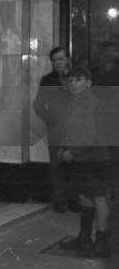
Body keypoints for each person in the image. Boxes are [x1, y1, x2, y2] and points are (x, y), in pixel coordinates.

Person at [58, 67, 111, 258]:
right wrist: (64, 147)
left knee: (98, 197)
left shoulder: (90, 102)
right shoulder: (76, 102)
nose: (72, 83)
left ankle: (102, 242)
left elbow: (89, 133)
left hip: (94, 158)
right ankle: (84, 237)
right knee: (85, 196)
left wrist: (72, 151)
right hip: (82, 159)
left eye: (78, 80)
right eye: (70, 80)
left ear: (88, 83)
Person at [33, 46, 71, 212]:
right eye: (55, 60)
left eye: (61, 59)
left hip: (78, 128)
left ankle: (76, 200)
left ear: (67, 59)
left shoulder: (77, 76)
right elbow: (38, 104)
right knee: (57, 166)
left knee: (76, 164)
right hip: (56, 128)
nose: (58, 63)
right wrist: (50, 119)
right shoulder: (47, 80)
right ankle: (60, 201)